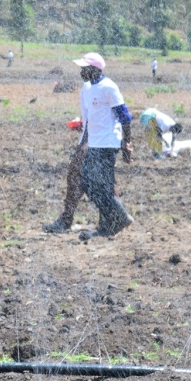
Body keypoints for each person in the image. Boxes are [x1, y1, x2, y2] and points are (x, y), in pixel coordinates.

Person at [73, 52, 134, 241]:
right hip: (95, 143)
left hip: (107, 144)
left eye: (84, 68)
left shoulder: (109, 87)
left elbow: (125, 116)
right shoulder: (90, 88)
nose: (81, 71)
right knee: (100, 186)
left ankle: (120, 217)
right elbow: (89, 120)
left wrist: (126, 143)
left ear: (94, 69)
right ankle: (107, 225)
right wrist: (82, 143)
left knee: (90, 183)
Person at [42, 121, 88, 234]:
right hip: (94, 139)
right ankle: (112, 219)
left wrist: (84, 144)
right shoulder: (85, 101)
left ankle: (66, 219)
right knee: (77, 176)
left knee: (76, 175)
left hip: (99, 140)